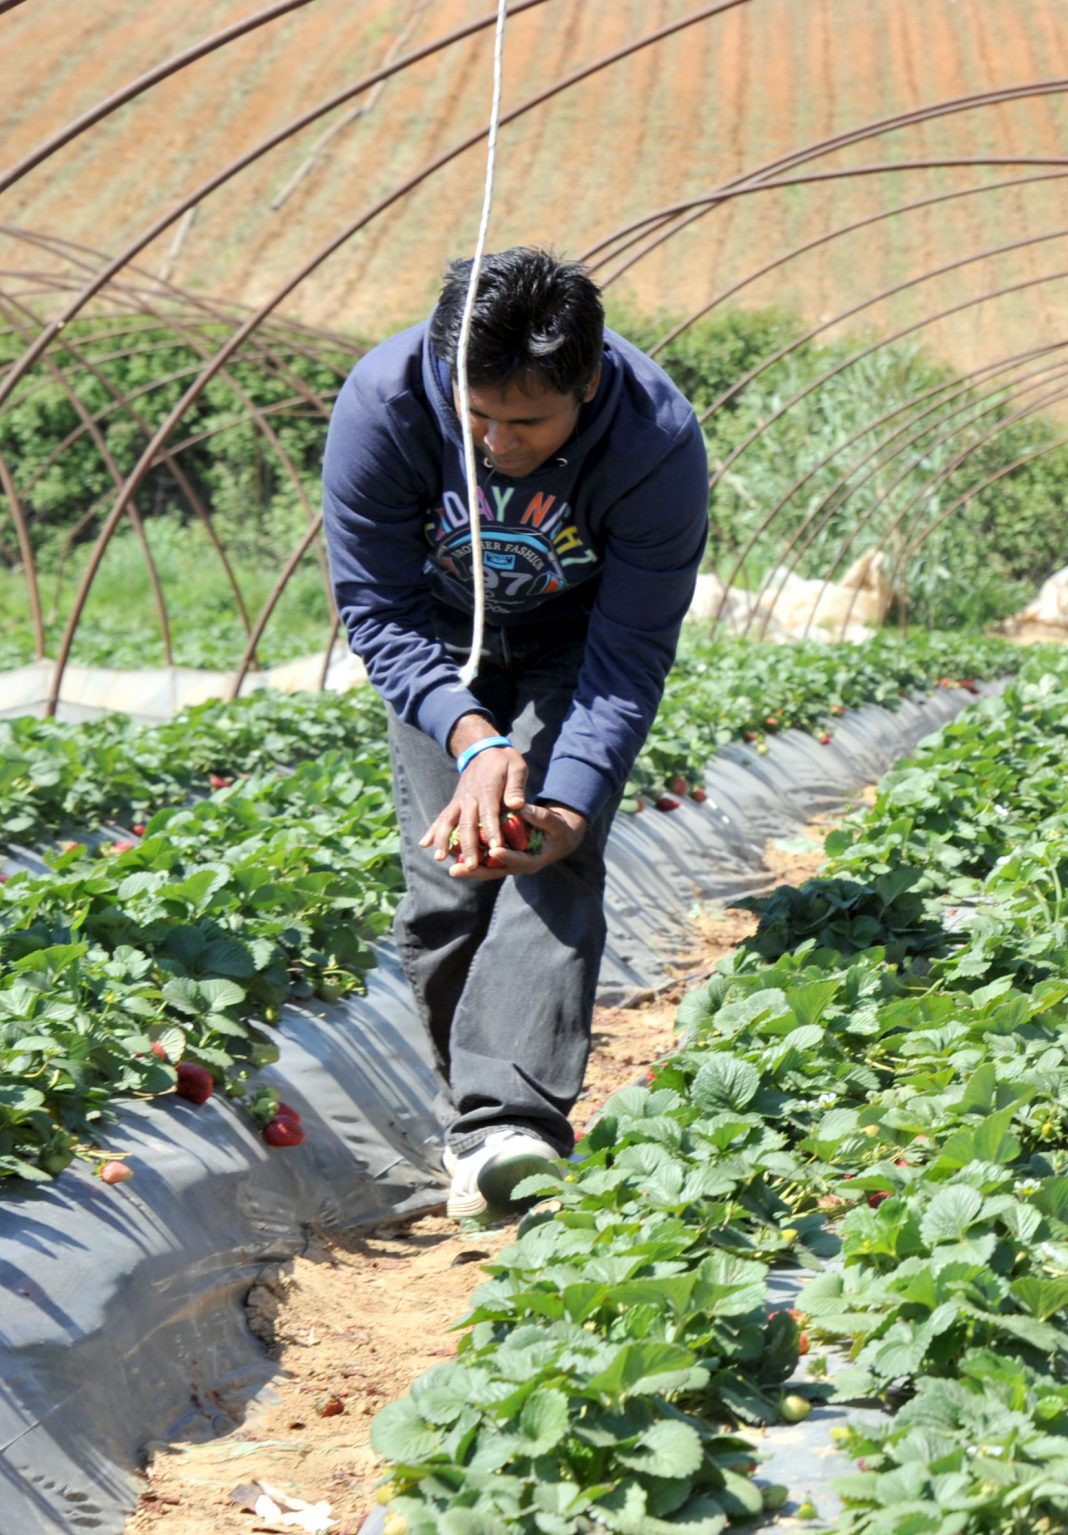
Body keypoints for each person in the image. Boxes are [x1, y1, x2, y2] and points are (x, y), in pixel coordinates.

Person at [323, 247, 708, 1228]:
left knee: (543, 848)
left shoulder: (655, 443)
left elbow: (629, 651)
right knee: (450, 883)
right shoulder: (384, 404)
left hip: (574, 647)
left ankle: (512, 1124)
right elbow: (373, 604)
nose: (495, 440)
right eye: (477, 414)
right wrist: (469, 733)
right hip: (440, 644)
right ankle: (476, 1125)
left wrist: (570, 795)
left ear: (586, 381)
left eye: (526, 421)